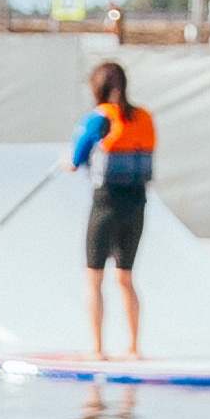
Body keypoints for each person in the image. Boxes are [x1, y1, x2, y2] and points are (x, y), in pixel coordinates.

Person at [71, 58, 157, 363]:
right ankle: (133, 348)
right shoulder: (144, 117)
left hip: (106, 204)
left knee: (94, 277)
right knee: (125, 277)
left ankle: (96, 349)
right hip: (136, 204)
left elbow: (75, 159)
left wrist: (70, 160)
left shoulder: (97, 119)